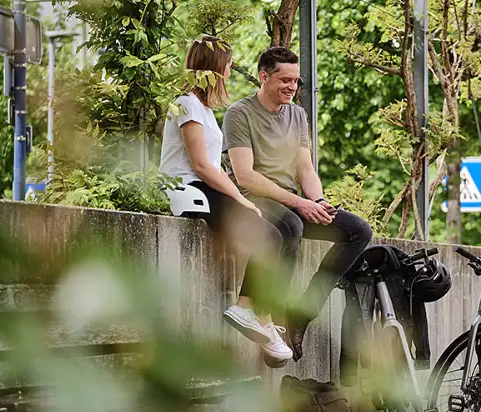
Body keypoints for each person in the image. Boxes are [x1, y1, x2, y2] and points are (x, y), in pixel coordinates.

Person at [223, 47, 373, 361]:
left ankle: (302, 313)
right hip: (255, 201)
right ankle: (270, 317)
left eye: (296, 81)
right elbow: (245, 177)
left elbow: (305, 168)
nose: (292, 86)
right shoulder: (240, 113)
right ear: (264, 77)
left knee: (357, 231)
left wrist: (318, 201)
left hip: (293, 201)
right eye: (285, 80)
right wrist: (300, 204)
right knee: (290, 225)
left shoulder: (297, 114)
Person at [159, 36, 293, 364]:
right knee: (269, 235)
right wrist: (240, 198)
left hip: (207, 188)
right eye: (228, 66)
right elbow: (201, 165)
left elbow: (212, 164)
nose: (231, 72)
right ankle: (245, 308)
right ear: (214, 67)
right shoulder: (187, 103)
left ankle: (260, 318)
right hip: (190, 191)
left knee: (281, 231)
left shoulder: (202, 107)